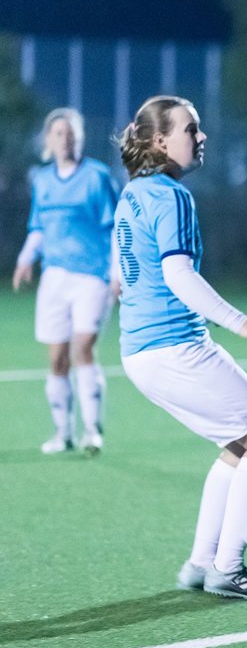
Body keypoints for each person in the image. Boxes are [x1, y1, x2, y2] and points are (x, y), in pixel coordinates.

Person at [114, 95, 247, 600]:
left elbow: (123, 269)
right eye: (191, 129)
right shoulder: (171, 196)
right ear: (159, 141)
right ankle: (228, 569)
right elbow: (178, 275)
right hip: (174, 348)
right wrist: (240, 322)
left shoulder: (134, 193)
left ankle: (200, 563)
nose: (201, 136)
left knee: (238, 447)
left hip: (141, 352)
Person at [12, 108, 119, 455]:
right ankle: (63, 433)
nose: (65, 139)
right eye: (58, 133)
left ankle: (93, 430)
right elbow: (39, 226)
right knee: (57, 357)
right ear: (48, 139)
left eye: (70, 132)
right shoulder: (42, 180)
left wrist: (117, 273)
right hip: (55, 277)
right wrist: (26, 259)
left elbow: (115, 228)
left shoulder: (97, 176)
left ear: (80, 137)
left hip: (92, 276)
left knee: (83, 349)